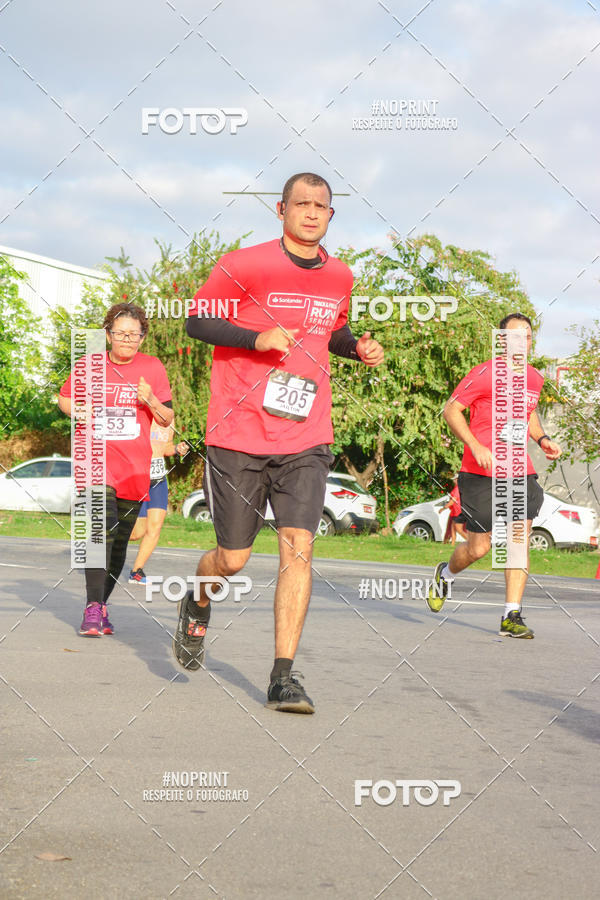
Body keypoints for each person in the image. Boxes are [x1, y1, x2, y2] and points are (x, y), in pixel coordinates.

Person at [177, 171, 384, 713]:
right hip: (239, 434)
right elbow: (196, 322)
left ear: (331, 215)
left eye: (322, 206)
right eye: (302, 204)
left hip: (307, 436)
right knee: (233, 559)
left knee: (299, 549)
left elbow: (329, 332)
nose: (312, 212)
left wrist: (355, 346)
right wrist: (256, 337)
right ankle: (198, 600)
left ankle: (283, 677)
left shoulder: (341, 275)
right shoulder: (245, 264)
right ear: (281, 209)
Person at [427, 313, 561, 637]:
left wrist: (542, 439)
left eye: (528, 336)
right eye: (516, 336)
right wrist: (474, 445)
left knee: (517, 542)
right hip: (480, 471)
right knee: (480, 548)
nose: (523, 342)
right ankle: (445, 574)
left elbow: (528, 416)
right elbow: (451, 409)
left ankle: (510, 615)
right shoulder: (485, 373)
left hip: (519, 471)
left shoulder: (535, 378)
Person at [59, 302, 173, 635]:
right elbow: (63, 399)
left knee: (121, 539)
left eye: (133, 334)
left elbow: (167, 418)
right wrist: (81, 410)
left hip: (135, 467)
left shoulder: (152, 367)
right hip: (94, 459)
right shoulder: (89, 364)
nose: (126, 340)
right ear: (107, 334)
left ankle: (100, 604)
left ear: (142, 337)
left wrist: (150, 400)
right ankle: (93, 609)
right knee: (99, 530)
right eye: (120, 333)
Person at [128, 421, 189, 584]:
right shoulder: (140, 411)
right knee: (136, 533)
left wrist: (176, 449)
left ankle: (136, 571)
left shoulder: (169, 417)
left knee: (155, 527)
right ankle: (103, 538)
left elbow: (166, 446)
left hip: (158, 480)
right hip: (138, 477)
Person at [441, 476, 467, 544]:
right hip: (455, 512)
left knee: (459, 529)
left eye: (454, 480)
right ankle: (452, 543)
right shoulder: (458, 488)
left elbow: (453, 501)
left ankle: (471, 542)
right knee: (452, 528)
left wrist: (443, 508)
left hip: (458, 512)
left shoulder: (457, 489)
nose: (453, 481)